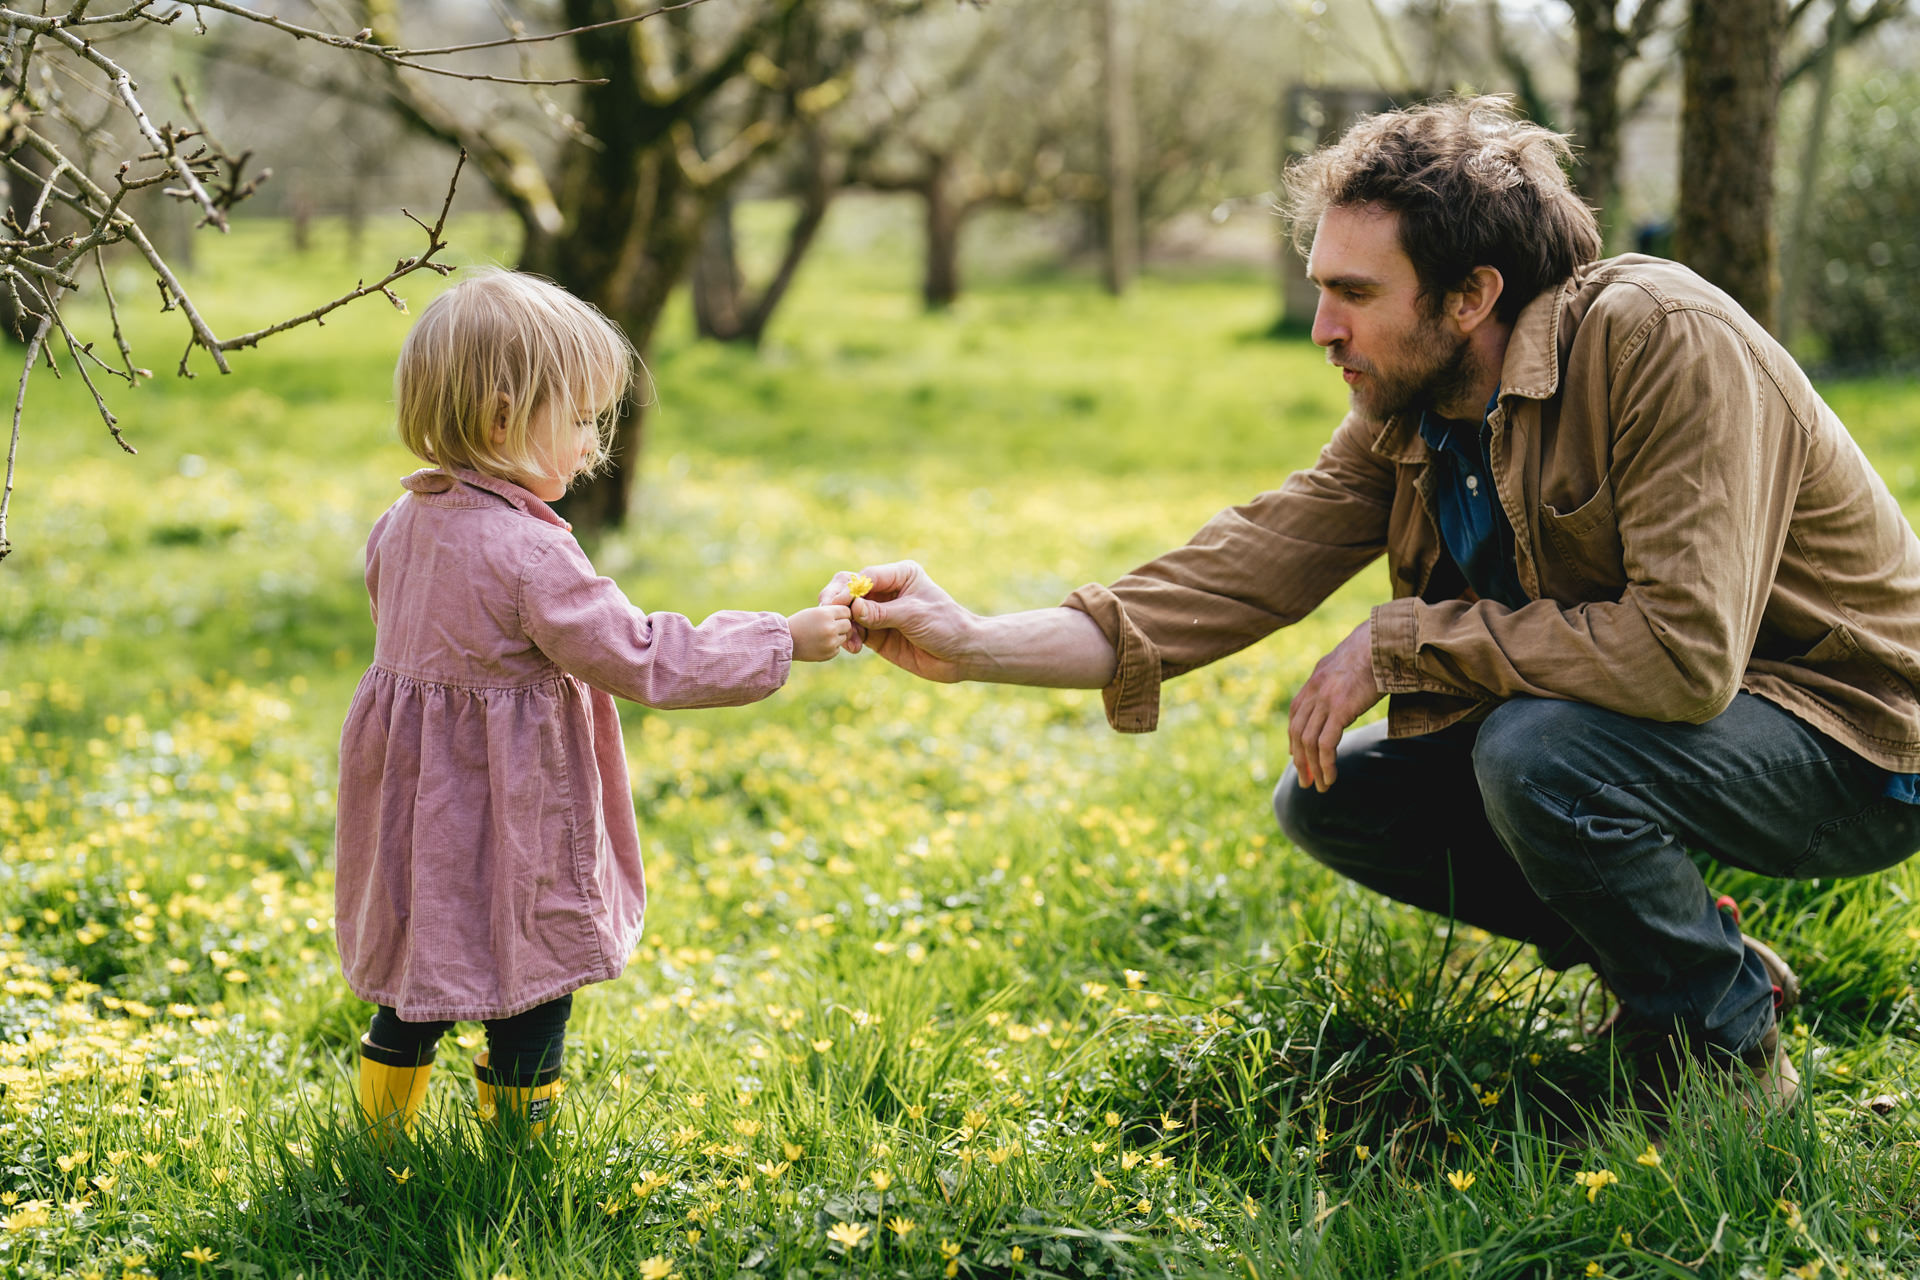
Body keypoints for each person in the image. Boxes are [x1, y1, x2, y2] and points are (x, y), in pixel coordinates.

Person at [820, 96, 1920, 1108]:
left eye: (1354, 294)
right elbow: (1246, 563)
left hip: (1861, 739)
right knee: (1338, 795)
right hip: (1688, 730)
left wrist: (1403, 640)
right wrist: (971, 641)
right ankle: (1690, 964)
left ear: (1472, 294)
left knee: (1535, 754)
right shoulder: (1422, 402)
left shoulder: (1660, 338)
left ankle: (1723, 1060)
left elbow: (1680, 657)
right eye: (1318, 289)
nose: (1322, 329)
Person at [336, 269, 853, 1138]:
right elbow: (642, 656)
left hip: (417, 808)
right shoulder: (533, 558)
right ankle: (515, 1158)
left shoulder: (401, 523)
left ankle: (377, 1143)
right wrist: (784, 638)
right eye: (578, 419)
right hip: (513, 807)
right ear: (503, 419)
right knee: (533, 974)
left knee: (416, 978)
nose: (593, 442)